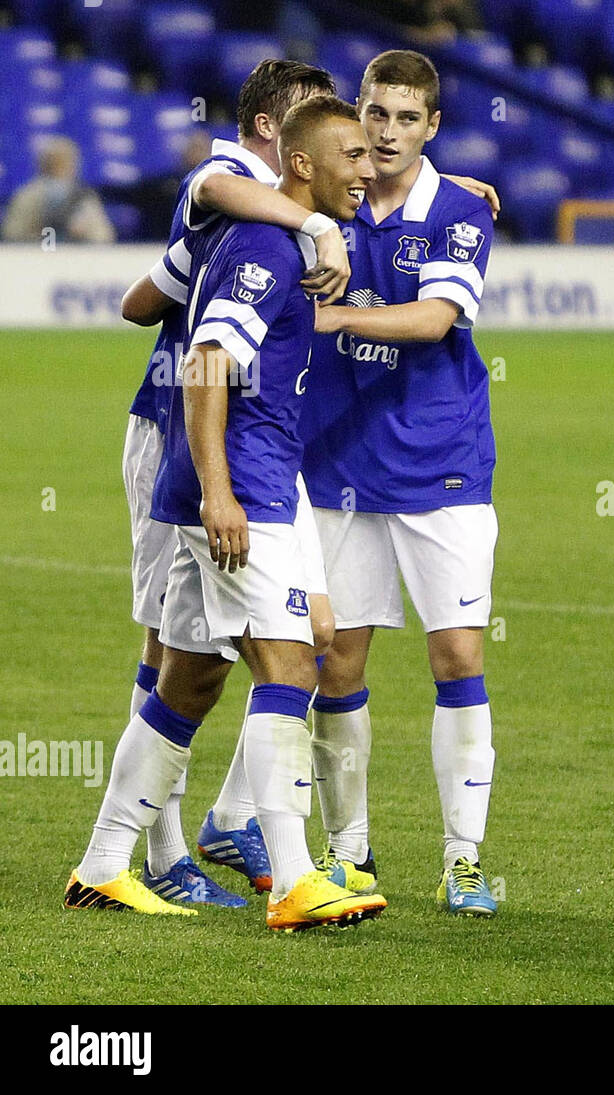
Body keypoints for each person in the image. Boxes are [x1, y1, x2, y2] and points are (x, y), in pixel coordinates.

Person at [65, 95, 388, 932]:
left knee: (191, 678)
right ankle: (292, 879)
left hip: (210, 482)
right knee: (291, 669)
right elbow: (208, 366)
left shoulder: (242, 236)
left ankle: (104, 864)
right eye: (352, 153)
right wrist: (220, 491)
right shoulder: (266, 247)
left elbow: (149, 300)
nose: (368, 166)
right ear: (302, 163)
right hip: (243, 488)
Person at [116, 59, 349, 905]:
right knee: (182, 647)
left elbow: (138, 302)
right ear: (271, 134)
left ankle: (194, 829)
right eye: (317, 122)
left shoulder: (281, 206)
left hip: (255, 448)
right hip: (185, 431)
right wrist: (314, 230)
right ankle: (164, 849)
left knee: (279, 642)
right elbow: (214, 194)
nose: (346, 143)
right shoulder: (229, 179)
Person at [300, 50, 500, 915]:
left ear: (432, 127)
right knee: (335, 663)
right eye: (374, 114)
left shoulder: (459, 209)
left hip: (442, 462)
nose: (385, 134)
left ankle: (463, 859)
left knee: (457, 653)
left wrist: (334, 313)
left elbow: (437, 316)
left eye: (406, 119)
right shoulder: (318, 205)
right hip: (339, 466)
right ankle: (349, 852)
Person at [1, 135, 115, 243]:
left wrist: (85, 233)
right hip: (36, 255)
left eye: (65, 161)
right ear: (44, 163)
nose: (61, 166)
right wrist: (37, 234)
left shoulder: (84, 197)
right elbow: (11, 233)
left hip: (76, 257)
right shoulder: (28, 195)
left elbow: (104, 235)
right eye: (55, 161)